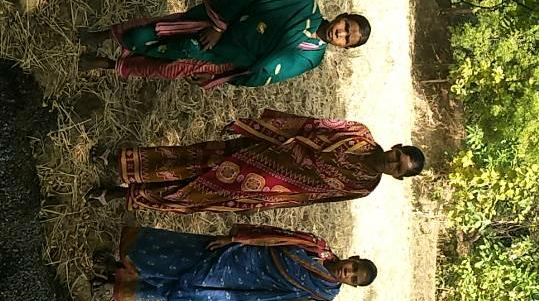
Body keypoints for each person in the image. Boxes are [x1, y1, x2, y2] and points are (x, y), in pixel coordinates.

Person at [86, 108, 425, 214]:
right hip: (261, 154)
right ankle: (119, 162)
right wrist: (257, 128)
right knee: (190, 159)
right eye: (397, 157)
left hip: (264, 188)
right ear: (395, 147)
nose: (392, 163)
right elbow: (311, 126)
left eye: (398, 168)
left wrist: (266, 203)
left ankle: (121, 195)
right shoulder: (358, 134)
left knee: (194, 195)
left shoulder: (364, 187)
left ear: (397, 177)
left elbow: (315, 197)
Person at [78, 0, 371, 89]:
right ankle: (102, 36)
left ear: (344, 47)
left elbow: (267, 75)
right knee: (154, 30)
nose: (341, 33)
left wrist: (220, 78)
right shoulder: (305, 7)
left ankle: (107, 64)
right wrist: (219, 26)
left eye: (347, 38)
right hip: (217, 27)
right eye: (346, 26)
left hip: (220, 58)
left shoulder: (312, 56)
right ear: (342, 15)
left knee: (165, 67)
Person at [90, 223, 378, 301]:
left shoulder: (324, 294)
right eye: (354, 268)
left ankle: (116, 281)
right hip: (239, 255)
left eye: (353, 278)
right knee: (178, 255)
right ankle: (119, 262)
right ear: (353, 258)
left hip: (240, 285)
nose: (348, 273)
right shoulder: (317, 246)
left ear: (351, 285)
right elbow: (275, 236)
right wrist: (234, 239)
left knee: (183, 288)